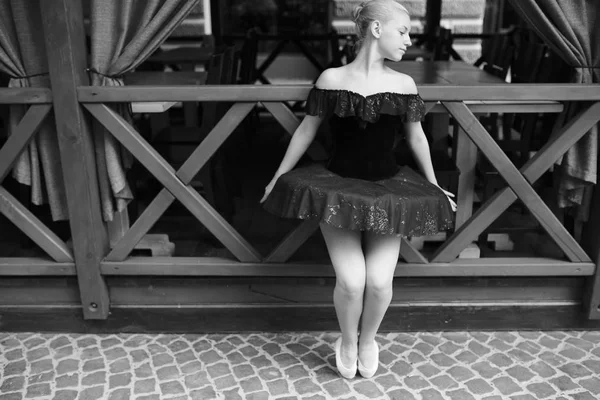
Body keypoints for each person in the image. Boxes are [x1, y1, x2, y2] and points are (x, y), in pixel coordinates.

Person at [260, 0, 456, 379]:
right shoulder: (332, 79)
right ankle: (347, 340)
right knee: (352, 282)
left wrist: (433, 186)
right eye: (403, 31)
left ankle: (368, 340)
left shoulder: (404, 84)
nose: (409, 40)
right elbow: (306, 130)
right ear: (377, 30)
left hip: (390, 191)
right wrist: (277, 175)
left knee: (380, 283)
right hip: (338, 189)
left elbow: (417, 139)